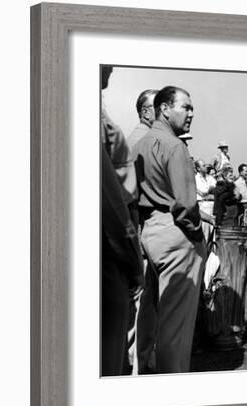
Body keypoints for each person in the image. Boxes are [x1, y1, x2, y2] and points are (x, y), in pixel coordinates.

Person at [134, 86, 206, 373]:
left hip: (148, 230)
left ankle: (143, 373)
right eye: (185, 107)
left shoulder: (138, 142)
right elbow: (186, 206)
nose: (191, 113)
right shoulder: (175, 145)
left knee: (150, 315)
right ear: (165, 108)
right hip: (175, 233)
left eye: (191, 108)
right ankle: (171, 392)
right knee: (175, 326)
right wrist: (197, 234)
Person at [100, 65, 144, 376]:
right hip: (108, 248)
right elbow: (110, 198)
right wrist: (131, 258)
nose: (110, 67)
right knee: (106, 354)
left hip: (108, 242)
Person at [195, 158, 217, 243]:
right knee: (205, 233)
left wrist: (207, 194)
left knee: (214, 234)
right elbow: (202, 194)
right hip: (203, 206)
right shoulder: (195, 179)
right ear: (198, 168)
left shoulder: (210, 178)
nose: (205, 167)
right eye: (203, 165)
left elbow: (216, 191)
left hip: (212, 206)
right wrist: (208, 193)